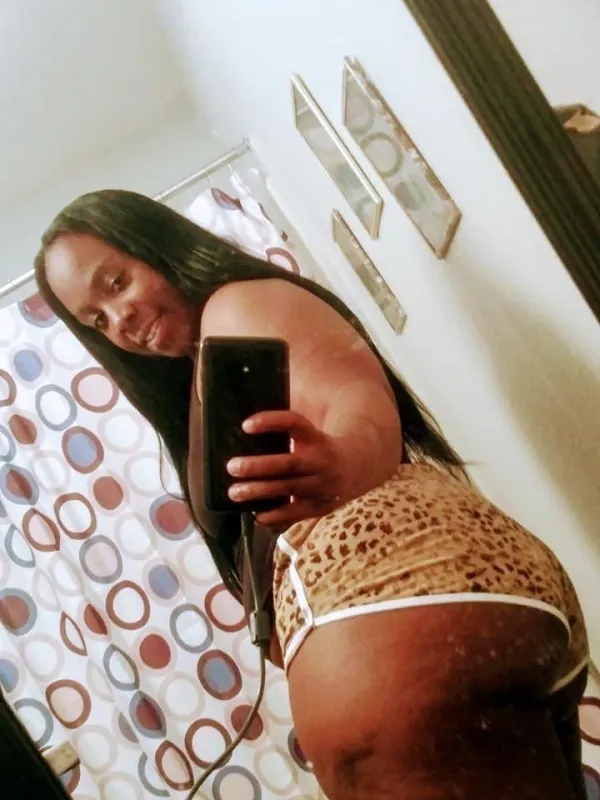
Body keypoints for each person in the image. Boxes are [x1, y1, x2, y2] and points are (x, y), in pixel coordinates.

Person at [35, 189, 589, 800]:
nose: (119, 321)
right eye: (97, 320)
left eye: (116, 284)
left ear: (156, 244)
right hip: (431, 601)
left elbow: (349, 396)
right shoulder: (207, 363)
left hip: (398, 597)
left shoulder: (235, 306)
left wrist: (346, 458)